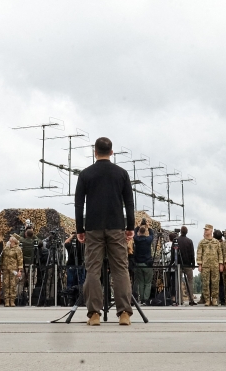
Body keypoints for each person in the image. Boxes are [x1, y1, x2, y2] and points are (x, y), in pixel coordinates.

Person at [74, 136, 135, 326]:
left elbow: (78, 204)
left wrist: (80, 229)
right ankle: (124, 312)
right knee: (120, 269)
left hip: (93, 227)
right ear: (111, 152)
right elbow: (129, 203)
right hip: (116, 226)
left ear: (95, 152)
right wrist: (130, 227)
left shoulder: (85, 174)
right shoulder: (122, 173)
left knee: (93, 269)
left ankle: (94, 314)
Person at [131, 225, 154, 303]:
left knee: (140, 282)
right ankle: (146, 298)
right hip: (147, 263)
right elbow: (152, 234)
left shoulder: (136, 239)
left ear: (139, 232)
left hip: (138, 263)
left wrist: (138, 226)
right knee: (148, 282)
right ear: (145, 232)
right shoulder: (148, 240)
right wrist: (149, 227)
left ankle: (141, 299)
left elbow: (133, 232)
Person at [176, 226, 196, 306]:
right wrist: (193, 263)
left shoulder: (176, 240)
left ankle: (180, 300)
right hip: (188, 264)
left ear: (180, 232)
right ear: (187, 232)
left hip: (179, 264)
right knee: (190, 281)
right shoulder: (189, 241)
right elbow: (192, 253)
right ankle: (191, 299)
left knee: (179, 281)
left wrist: (173, 263)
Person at [1, 236, 23, 306]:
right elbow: (2, 258)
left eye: (11, 239)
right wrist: (1, 266)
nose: (9, 239)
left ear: (14, 241)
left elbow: (20, 260)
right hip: (6, 268)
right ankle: (7, 300)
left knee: (13, 284)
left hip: (14, 269)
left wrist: (20, 270)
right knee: (6, 284)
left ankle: (12, 300)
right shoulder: (6, 248)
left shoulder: (18, 249)